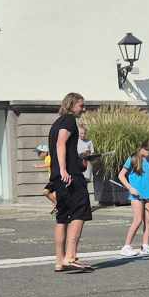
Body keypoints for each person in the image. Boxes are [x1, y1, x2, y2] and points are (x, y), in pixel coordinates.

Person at [47, 94, 92, 272]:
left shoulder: (57, 122)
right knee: (79, 212)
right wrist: (65, 169)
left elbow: (60, 147)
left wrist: (74, 162)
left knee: (61, 218)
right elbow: (60, 144)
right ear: (72, 105)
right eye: (81, 105)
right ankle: (71, 256)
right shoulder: (69, 121)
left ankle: (60, 261)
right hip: (70, 177)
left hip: (59, 178)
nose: (84, 109)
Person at [118, 141, 149, 255]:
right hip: (136, 195)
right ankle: (126, 246)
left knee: (148, 221)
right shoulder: (133, 159)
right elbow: (121, 175)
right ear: (143, 149)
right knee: (137, 220)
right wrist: (130, 188)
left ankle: (145, 245)